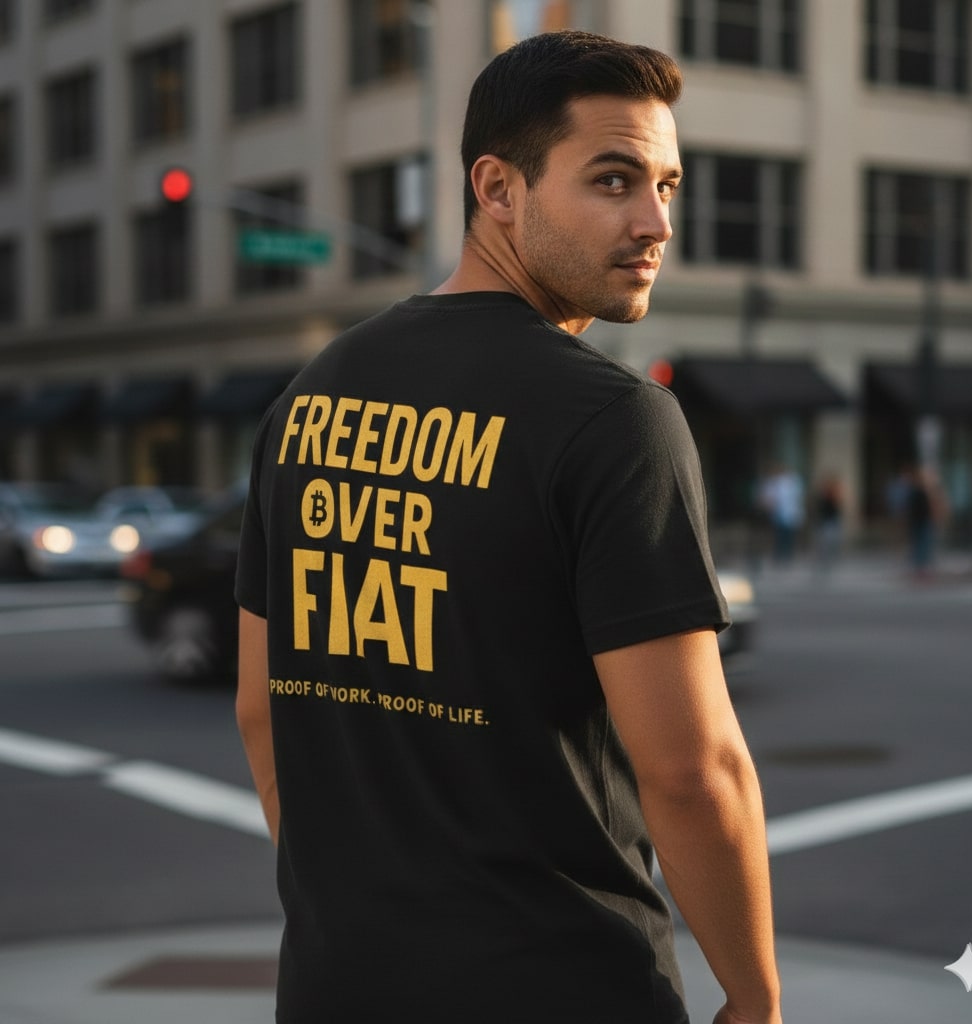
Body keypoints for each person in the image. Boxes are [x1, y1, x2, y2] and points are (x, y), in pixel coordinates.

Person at [235, 30, 781, 1024]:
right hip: (562, 986)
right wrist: (755, 998)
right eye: (613, 180)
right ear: (496, 189)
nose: (656, 222)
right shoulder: (613, 420)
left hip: (335, 986)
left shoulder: (308, 399)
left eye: (666, 185)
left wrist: (359, 918)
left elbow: (261, 709)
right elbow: (692, 771)